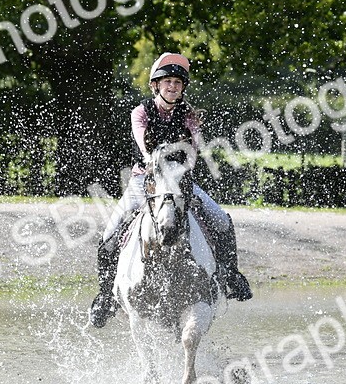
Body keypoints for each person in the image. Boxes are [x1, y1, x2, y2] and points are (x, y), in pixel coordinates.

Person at [89, 52, 252, 328]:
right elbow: (143, 144)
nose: (173, 86)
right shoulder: (140, 112)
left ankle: (231, 276)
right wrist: (156, 156)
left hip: (178, 180)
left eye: (178, 82)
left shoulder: (189, 115)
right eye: (167, 82)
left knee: (222, 220)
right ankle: (105, 296)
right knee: (109, 233)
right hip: (146, 180)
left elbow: (194, 150)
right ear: (156, 85)